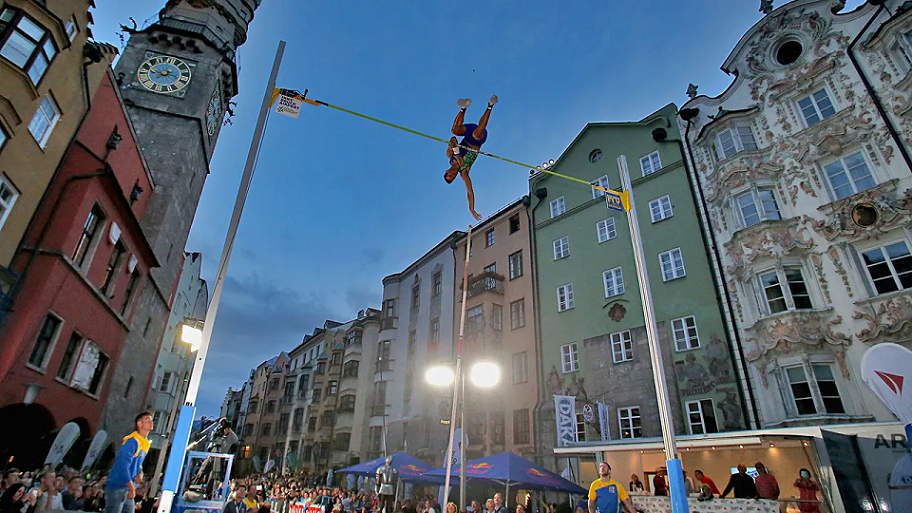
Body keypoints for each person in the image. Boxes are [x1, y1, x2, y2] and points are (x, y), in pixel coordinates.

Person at [443, 95, 499, 221]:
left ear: (447, 171)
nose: (452, 175)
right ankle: (490, 106)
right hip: (478, 138)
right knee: (476, 133)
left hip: (467, 134)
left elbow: (452, 140)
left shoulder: (449, 156)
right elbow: (470, 192)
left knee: (454, 130)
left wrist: (454, 149)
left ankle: (463, 108)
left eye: (449, 175)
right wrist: (471, 209)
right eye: (452, 178)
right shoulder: (464, 173)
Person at [106, 411, 154, 513]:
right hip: (118, 486)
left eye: (151, 420)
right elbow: (122, 466)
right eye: (147, 420)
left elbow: (138, 463)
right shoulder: (132, 441)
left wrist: (140, 473)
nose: (151, 422)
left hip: (127, 487)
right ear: (139, 424)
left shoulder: (144, 443)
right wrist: (132, 488)